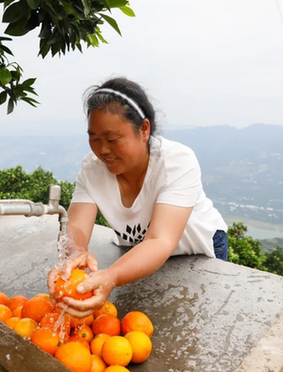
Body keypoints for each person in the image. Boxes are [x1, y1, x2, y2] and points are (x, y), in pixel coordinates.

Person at [48, 77, 227, 318]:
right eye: (94, 138)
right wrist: (76, 252)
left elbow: (160, 240)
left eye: (111, 139)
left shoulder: (176, 161)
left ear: (144, 130)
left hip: (195, 248)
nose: (102, 150)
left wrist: (111, 276)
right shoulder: (92, 168)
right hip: (140, 250)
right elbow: (77, 225)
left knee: (196, 318)